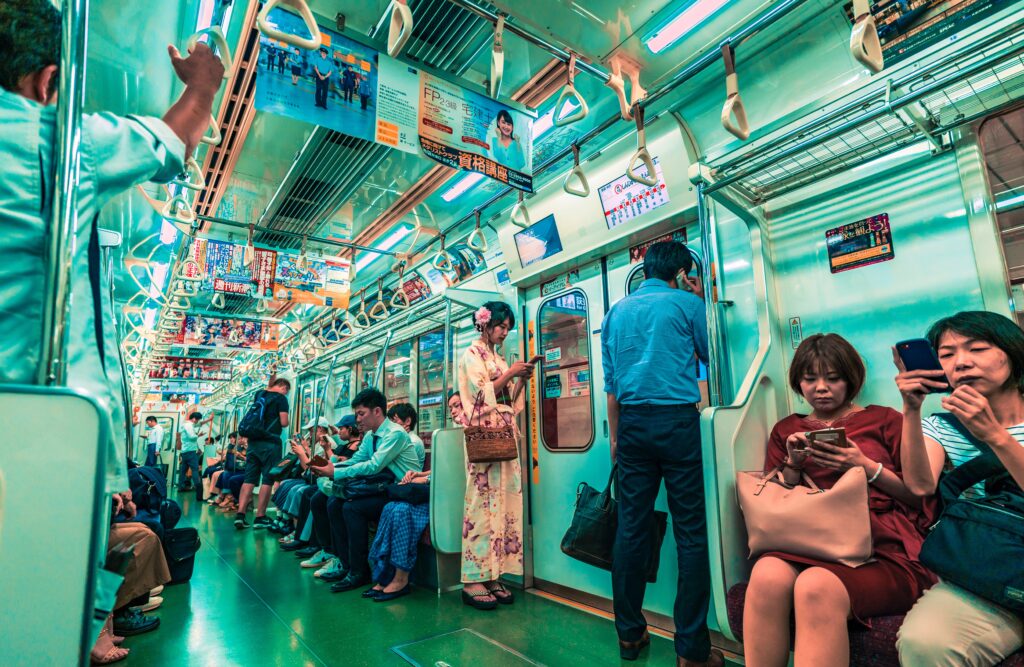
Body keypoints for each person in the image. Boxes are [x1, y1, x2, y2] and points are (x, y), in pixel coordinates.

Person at [0, 0, 223, 501]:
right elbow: (176, 138)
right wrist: (204, 81)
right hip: (41, 428)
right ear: (46, 81)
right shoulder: (58, 144)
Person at [741, 334, 936, 667]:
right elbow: (777, 505)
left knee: (815, 586)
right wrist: (793, 465)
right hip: (807, 541)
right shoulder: (787, 429)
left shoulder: (885, 421)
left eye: (833, 378)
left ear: (851, 380)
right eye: (810, 379)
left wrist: (865, 467)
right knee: (766, 574)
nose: (821, 388)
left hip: (882, 549)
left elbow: (920, 498)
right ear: (797, 383)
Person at [600, 241, 719, 666]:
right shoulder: (688, 305)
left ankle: (630, 635)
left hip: (632, 426)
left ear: (644, 269)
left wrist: (616, 439)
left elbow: (612, 387)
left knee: (631, 529)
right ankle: (691, 650)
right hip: (678, 424)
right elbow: (712, 355)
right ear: (683, 272)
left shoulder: (614, 313)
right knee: (690, 531)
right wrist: (702, 300)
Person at [895, 311, 1024, 666]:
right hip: (989, 565)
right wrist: (911, 408)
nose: (962, 362)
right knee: (924, 642)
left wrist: (996, 437)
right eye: (947, 354)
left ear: (1012, 352)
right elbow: (920, 485)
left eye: (977, 348)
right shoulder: (943, 426)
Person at [458, 301, 533, 610]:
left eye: (507, 328)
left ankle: (493, 572)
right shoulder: (471, 354)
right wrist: (511, 373)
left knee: (503, 504)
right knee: (480, 505)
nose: (504, 332)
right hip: (484, 436)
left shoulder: (499, 359)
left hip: (503, 434)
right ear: (485, 325)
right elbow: (477, 396)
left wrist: (519, 380)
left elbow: (506, 400)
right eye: (501, 327)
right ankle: (471, 577)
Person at [310, 388, 422, 593]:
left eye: (361, 414)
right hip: (384, 488)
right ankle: (346, 564)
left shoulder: (395, 434)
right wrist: (331, 469)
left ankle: (359, 572)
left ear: (377, 411)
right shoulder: (371, 436)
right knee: (334, 503)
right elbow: (357, 460)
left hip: (403, 491)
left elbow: (374, 465)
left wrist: (334, 472)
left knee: (353, 509)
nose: (357, 419)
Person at [235, 375, 290, 529]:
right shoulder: (281, 399)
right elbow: (284, 423)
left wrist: (272, 374)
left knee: (249, 480)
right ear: (283, 387)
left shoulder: (260, 394)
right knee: (267, 479)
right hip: (270, 443)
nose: (286, 394)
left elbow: (268, 387)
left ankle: (240, 515)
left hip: (253, 443)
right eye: (286, 391)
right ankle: (260, 516)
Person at [176, 412, 208, 501]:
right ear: (194, 418)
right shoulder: (189, 426)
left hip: (185, 451)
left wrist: (208, 420)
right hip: (190, 451)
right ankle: (199, 491)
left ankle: (180, 487)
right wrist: (199, 435)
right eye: (197, 419)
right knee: (195, 470)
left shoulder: (186, 424)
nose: (197, 421)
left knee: (183, 470)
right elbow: (192, 437)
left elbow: (199, 424)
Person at [387, 402, 425, 468]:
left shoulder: (413, 442)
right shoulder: (400, 438)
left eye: (394, 421)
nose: (391, 426)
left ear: (408, 421)